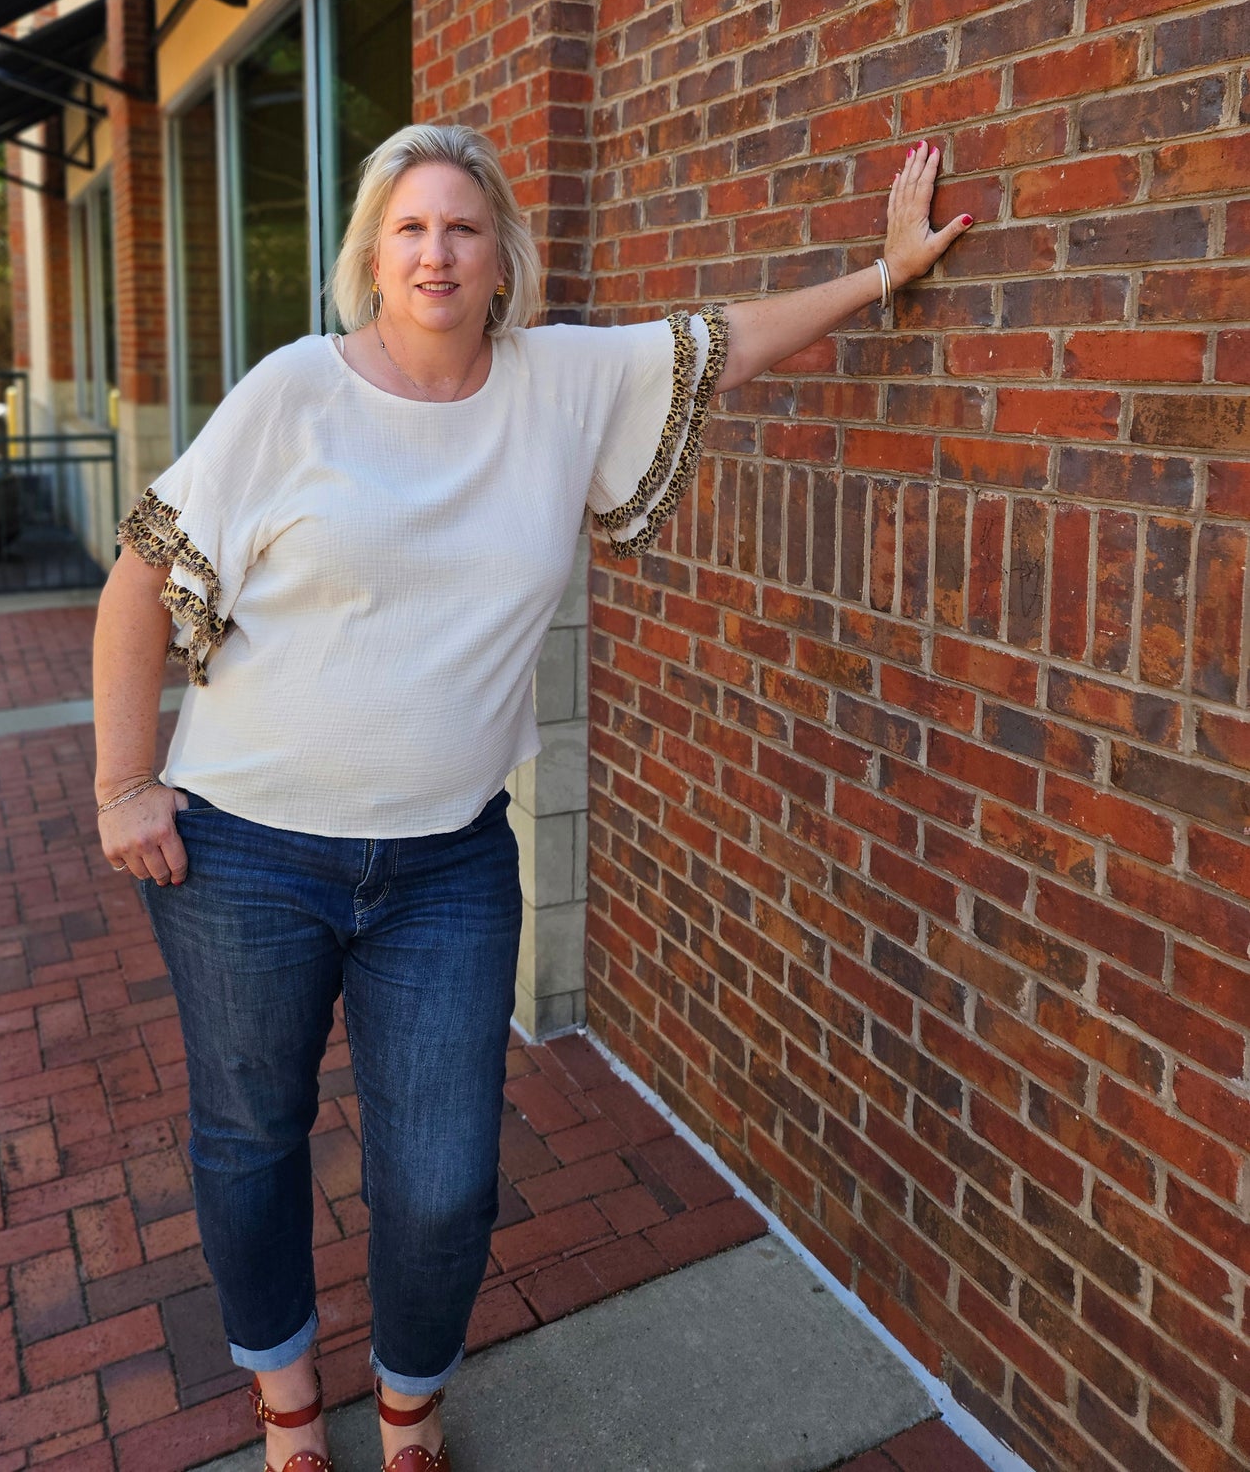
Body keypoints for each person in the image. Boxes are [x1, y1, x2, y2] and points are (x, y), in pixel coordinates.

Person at [92, 125, 967, 1472]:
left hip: (444, 868)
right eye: (408, 229)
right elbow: (140, 580)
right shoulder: (291, 396)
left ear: (502, 258)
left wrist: (878, 277)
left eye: (460, 227)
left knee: (441, 1184)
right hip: (247, 858)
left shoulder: (561, 384)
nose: (434, 252)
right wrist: (122, 783)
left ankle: (408, 1402)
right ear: (371, 259)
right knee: (251, 1136)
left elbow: (719, 340)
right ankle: (282, 1411)